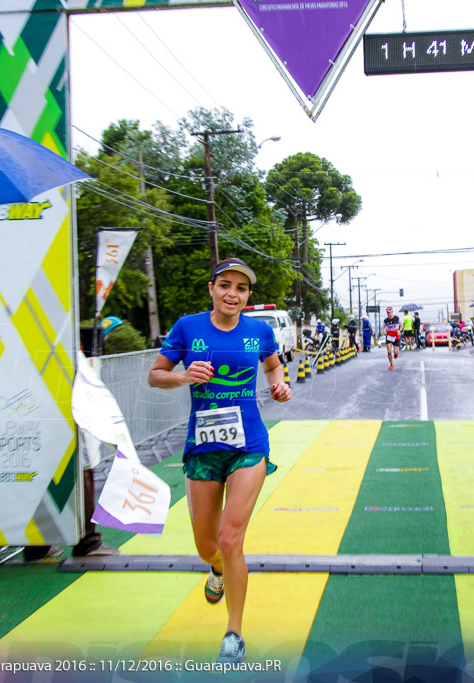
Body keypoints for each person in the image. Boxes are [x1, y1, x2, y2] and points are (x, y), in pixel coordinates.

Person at [147, 258, 292, 665]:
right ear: (211, 288)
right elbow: (155, 375)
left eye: (242, 289)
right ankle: (216, 570)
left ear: (248, 296)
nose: (233, 294)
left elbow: (274, 366)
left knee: (231, 539)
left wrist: (278, 386)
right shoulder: (188, 327)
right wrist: (183, 375)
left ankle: (234, 632)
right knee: (207, 545)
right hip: (203, 446)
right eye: (225, 285)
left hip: (249, 444)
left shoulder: (260, 331)